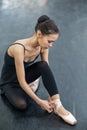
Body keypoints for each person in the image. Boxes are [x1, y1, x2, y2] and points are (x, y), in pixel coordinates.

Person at [0, 15, 77, 125]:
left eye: (53, 42)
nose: (51, 45)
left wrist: (52, 96)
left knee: (43, 65)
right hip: (11, 81)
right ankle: (26, 86)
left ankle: (59, 106)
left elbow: (46, 69)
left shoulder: (43, 47)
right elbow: (21, 81)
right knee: (22, 105)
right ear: (39, 34)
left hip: (25, 75)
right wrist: (40, 102)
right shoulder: (19, 48)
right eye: (49, 41)